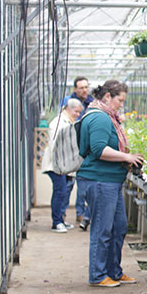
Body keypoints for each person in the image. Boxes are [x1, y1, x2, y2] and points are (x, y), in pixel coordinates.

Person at [77, 79, 144, 288]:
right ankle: (97, 275)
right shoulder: (99, 118)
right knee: (102, 229)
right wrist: (127, 157)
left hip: (110, 182)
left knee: (118, 227)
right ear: (107, 96)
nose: (121, 105)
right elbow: (99, 149)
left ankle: (114, 271)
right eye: (120, 100)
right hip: (99, 181)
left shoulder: (106, 117)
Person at [40, 98, 84, 232]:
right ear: (68, 109)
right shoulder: (58, 122)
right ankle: (56, 222)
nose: (78, 115)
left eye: (79, 112)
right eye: (76, 112)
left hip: (62, 165)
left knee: (63, 191)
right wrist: (61, 166)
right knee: (60, 192)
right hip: (56, 165)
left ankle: (60, 220)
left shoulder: (67, 120)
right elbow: (55, 145)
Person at [61, 77, 94, 228]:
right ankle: (62, 213)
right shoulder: (68, 102)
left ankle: (80, 214)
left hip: (85, 150)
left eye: (86, 87)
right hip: (70, 150)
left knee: (83, 184)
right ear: (75, 89)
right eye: (81, 88)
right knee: (67, 184)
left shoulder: (92, 103)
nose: (84, 90)